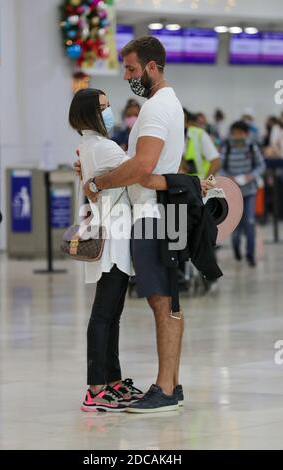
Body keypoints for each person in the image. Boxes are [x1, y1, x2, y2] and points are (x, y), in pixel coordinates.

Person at [75, 36, 215, 414]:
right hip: (155, 212)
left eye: (132, 69)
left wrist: (97, 181)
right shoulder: (166, 104)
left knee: (162, 300)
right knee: (163, 299)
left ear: (152, 68)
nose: (127, 76)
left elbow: (142, 166)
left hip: (155, 215)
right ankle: (170, 383)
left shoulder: (156, 108)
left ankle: (166, 388)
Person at [69, 88, 147, 412]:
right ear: (89, 113)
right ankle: (95, 388)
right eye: (103, 107)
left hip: (113, 233)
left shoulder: (89, 146)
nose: (109, 110)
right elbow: (139, 171)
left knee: (112, 314)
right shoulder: (102, 147)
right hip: (113, 239)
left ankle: (113, 381)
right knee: (104, 314)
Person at [220, 121, 266, 267]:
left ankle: (251, 255)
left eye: (241, 133)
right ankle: (236, 247)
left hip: (249, 192)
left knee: (250, 222)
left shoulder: (252, 147)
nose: (238, 136)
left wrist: (251, 176)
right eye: (235, 132)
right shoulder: (226, 148)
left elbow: (261, 165)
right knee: (235, 223)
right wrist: (228, 177)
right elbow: (220, 168)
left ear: (246, 133)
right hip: (233, 192)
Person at [181, 109, 221, 179]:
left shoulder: (199, 134)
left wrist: (206, 183)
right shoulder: (172, 137)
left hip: (202, 182)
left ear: (188, 122)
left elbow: (216, 162)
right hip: (186, 185)